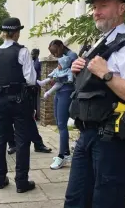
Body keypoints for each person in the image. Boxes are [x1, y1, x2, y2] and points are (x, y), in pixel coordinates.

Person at [65, 0, 125, 207]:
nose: (96, 12)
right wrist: (79, 72)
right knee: (75, 200)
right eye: (94, 7)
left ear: (121, 9)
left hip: (111, 140)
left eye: (103, 5)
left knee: (107, 201)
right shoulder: (99, 44)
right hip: (86, 135)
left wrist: (107, 75)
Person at [0, 17, 37, 193]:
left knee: (0, 141)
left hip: (0, 101)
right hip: (20, 101)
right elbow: (31, 79)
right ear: (16, 33)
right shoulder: (22, 51)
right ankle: (21, 182)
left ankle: (0, 179)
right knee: (22, 141)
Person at [47, 39, 78, 170]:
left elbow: (65, 74)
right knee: (59, 122)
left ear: (61, 46)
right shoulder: (64, 56)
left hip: (66, 91)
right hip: (60, 91)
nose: (55, 55)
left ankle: (62, 156)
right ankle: (65, 153)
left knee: (62, 124)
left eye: (55, 51)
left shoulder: (71, 56)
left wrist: (54, 79)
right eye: (52, 53)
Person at [31, 49, 42, 120]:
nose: (31, 55)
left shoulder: (38, 62)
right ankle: (34, 115)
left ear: (37, 54)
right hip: (33, 83)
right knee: (33, 100)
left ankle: (36, 116)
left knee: (35, 100)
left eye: (33, 54)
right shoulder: (34, 62)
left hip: (36, 84)